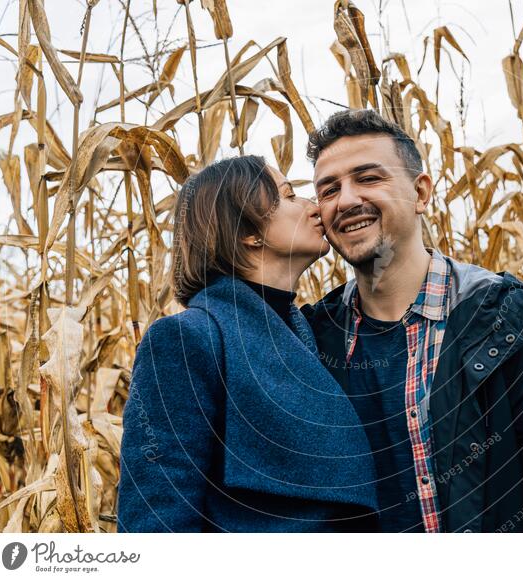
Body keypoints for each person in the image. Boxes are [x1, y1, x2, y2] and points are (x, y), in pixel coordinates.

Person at [302, 108, 523, 532]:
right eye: (328, 190)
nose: (345, 200)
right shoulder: (313, 339)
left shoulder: (506, 316)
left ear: (420, 193)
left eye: (368, 178)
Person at [117, 155, 378, 532]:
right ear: (248, 231)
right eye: (289, 196)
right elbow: (155, 517)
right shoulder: (185, 338)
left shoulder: (311, 332)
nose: (313, 206)